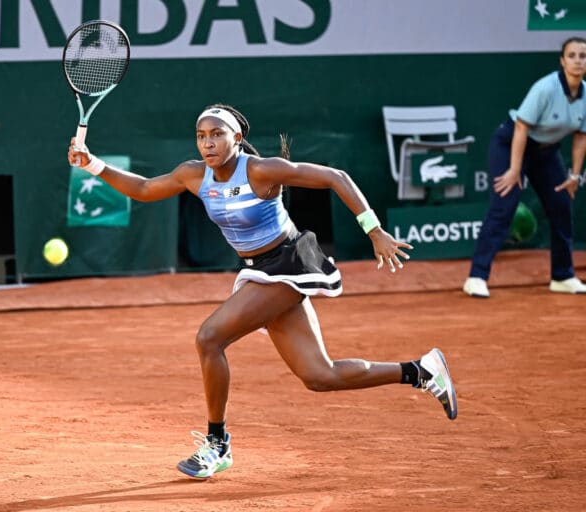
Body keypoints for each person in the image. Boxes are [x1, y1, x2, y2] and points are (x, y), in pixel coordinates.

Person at [68, 104, 458, 479]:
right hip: (259, 270)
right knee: (320, 375)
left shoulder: (260, 170)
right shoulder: (193, 174)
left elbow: (336, 176)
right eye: (201, 136)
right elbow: (144, 188)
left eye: (217, 134)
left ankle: (217, 443)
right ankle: (421, 371)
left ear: (236, 138)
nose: (208, 143)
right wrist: (92, 164)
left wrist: (373, 230)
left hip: (289, 264)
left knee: (209, 338)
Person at [464, 37, 586, 298]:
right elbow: (521, 126)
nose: (578, 61)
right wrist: (514, 170)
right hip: (511, 144)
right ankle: (477, 276)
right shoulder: (546, 88)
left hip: (547, 151)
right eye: (572, 55)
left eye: (583, 56)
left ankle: (563, 276)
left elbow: (581, 135)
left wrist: (575, 175)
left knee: (561, 205)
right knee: (503, 205)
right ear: (562, 61)